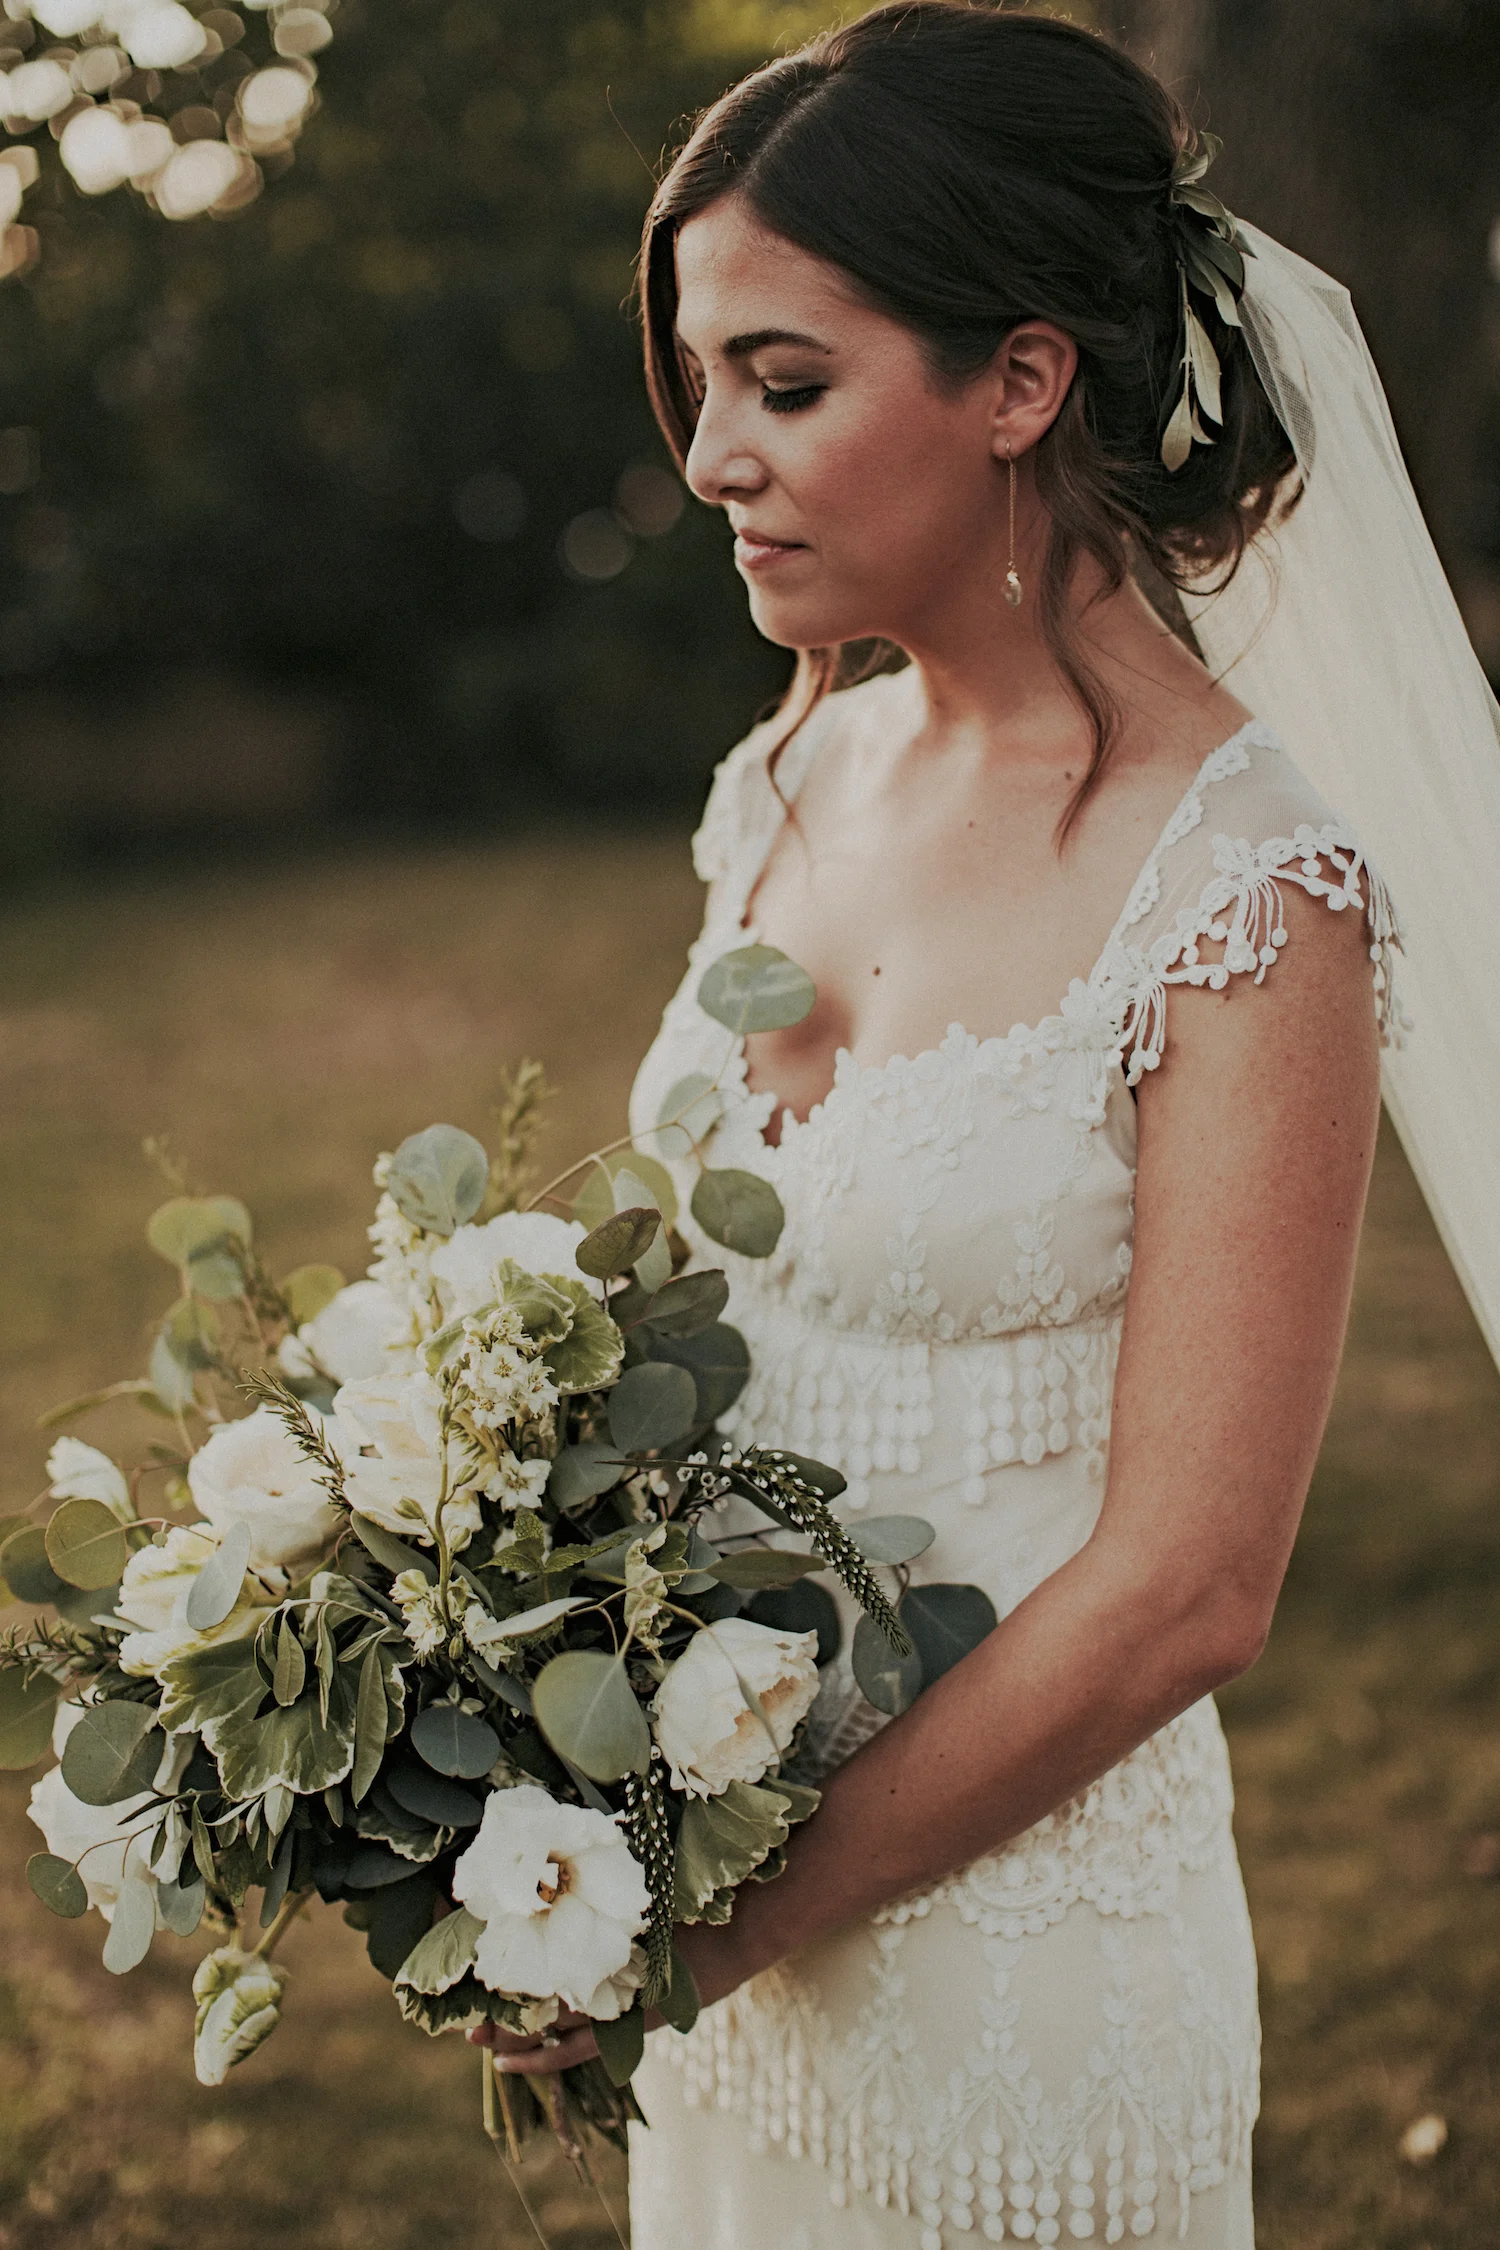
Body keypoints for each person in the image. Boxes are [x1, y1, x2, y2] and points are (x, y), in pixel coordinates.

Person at [472, 6, 1500, 2242]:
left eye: (788, 380)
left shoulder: (1245, 886)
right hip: (713, 1925)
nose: (712, 456)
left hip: (1025, 1974)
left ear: (1021, 382)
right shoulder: (798, 764)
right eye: (704, 384)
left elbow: (1188, 1592)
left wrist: (712, 1927)